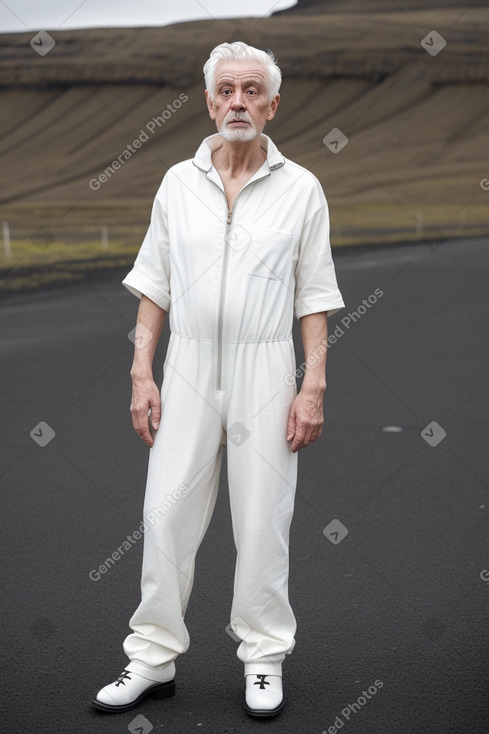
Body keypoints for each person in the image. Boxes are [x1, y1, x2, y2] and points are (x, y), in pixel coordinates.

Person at [92, 40, 345, 718]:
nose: (239, 101)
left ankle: (262, 658)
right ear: (208, 102)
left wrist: (311, 384)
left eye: (252, 90)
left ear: (271, 104)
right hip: (188, 364)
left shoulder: (301, 190)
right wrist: (142, 371)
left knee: (263, 520)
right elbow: (155, 285)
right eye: (226, 90)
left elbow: (313, 295)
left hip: (266, 365)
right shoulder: (178, 183)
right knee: (166, 512)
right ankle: (151, 658)